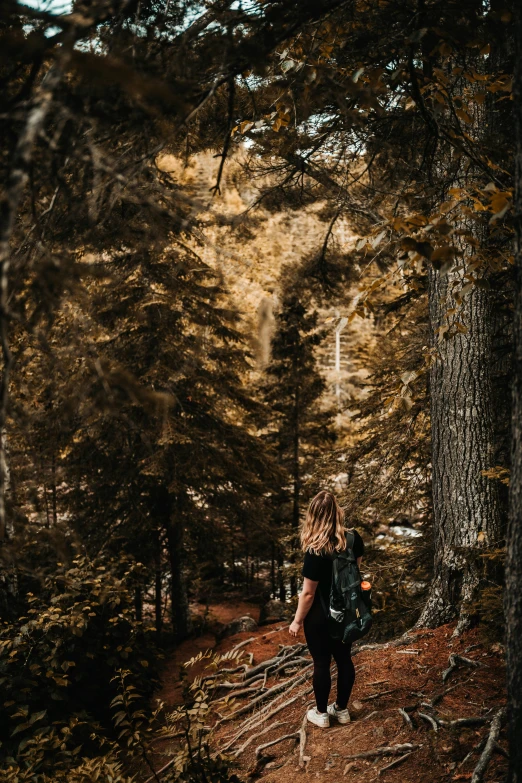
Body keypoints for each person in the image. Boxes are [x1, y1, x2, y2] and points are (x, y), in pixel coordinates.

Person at [289, 490, 364, 728]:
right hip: (347, 612)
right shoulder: (353, 539)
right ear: (336, 512)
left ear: (313, 515)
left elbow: (309, 593)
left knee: (321, 663)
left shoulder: (315, 550)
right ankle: (341, 710)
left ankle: (321, 714)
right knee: (344, 659)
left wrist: (297, 621)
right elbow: (354, 573)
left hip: (320, 616)